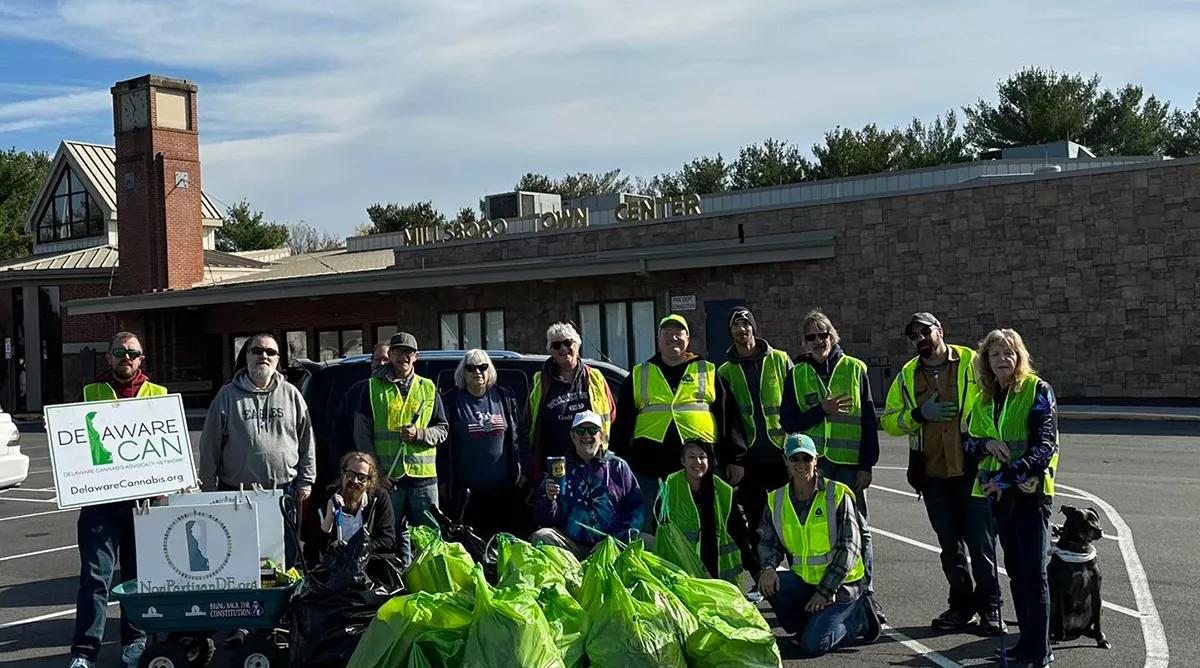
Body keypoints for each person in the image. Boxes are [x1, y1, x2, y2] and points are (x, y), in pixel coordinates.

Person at [880, 312, 1004, 634]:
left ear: (940, 331)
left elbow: (996, 396)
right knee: (949, 547)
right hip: (932, 472)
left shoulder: (970, 362)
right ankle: (961, 606)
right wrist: (919, 413)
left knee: (981, 543)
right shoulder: (907, 375)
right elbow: (890, 421)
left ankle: (991, 608)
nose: (920, 338)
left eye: (924, 331)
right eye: (913, 335)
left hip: (972, 467)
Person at [68, 332, 166, 668]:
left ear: (141, 359)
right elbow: (74, 446)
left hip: (143, 504)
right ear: (109, 358)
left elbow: (169, 449)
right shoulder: (89, 393)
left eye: (133, 352)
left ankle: (135, 643)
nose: (126, 357)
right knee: (95, 579)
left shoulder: (159, 395)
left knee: (137, 579)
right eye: (119, 351)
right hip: (100, 504)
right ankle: (84, 652)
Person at [965, 329, 1060, 668]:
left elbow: (1044, 446)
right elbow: (969, 441)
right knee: (1017, 574)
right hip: (1000, 498)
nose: (1003, 360)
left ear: (1020, 357)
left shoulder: (1037, 391)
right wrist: (986, 445)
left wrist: (1007, 478)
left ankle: (1040, 650)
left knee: (1035, 576)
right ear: (986, 362)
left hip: (1030, 496)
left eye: (1009, 353)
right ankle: (1025, 645)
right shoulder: (984, 399)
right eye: (995, 355)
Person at [780, 308, 882, 619]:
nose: (817, 341)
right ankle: (824, 590)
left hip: (849, 464)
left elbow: (868, 420)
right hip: (815, 465)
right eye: (810, 337)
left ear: (832, 336)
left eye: (822, 335)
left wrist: (867, 465)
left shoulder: (855, 368)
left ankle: (866, 592)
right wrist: (820, 410)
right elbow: (787, 420)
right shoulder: (796, 374)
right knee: (822, 530)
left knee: (859, 529)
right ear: (804, 341)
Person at [610, 313, 746, 532]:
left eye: (678, 333)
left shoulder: (707, 370)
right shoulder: (640, 373)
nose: (673, 338)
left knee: (703, 523)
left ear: (688, 338)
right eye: (667, 333)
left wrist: (735, 459)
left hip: (699, 464)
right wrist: (620, 459)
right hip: (650, 465)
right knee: (651, 525)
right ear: (658, 338)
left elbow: (728, 416)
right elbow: (624, 420)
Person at [757, 434, 880, 657]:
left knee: (813, 645)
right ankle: (808, 623)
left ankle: (860, 619)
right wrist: (767, 568)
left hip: (842, 587)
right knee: (770, 584)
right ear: (786, 460)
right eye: (795, 459)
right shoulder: (776, 499)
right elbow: (768, 542)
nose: (801, 464)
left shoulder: (836, 494)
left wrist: (825, 592)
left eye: (807, 458)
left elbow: (849, 548)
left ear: (816, 460)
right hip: (806, 582)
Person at [353, 331, 449, 541]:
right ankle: (388, 575)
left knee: (430, 540)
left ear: (416, 356)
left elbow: (443, 429)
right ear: (390, 354)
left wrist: (419, 434)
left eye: (409, 352)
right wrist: (376, 474)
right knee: (385, 540)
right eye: (397, 351)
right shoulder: (372, 387)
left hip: (424, 482)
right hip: (389, 480)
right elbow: (362, 436)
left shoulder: (428, 387)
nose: (403, 357)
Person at [198, 333, 316, 501]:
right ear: (247, 356)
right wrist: (208, 487)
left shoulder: (291, 394)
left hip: (284, 490)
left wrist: (306, 481)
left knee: (283, 529)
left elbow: (306, 441)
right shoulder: (227, 395)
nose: (264, 356)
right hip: (237, 494)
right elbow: (210, 444)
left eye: (270, 352)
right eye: (257, 350)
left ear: (277, 359)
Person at [716, 306, 792, 561]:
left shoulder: (780, 359)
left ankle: (795, 574)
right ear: (730, 331)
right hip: (750, 460)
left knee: (788, 516)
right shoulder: (725, 371)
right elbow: (726, 421)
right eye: (736, 325)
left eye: (745, 324)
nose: (741, 330)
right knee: (757, 520)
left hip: (782, 454)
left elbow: (795, 404)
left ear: (754, 328)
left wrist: (794, 448)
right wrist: (734, 460)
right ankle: (765, 575)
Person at [532, 411, 643, 559]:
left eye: (592, 430)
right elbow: (543, 520)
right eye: (580, 430)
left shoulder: (618, 466)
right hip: (572, 547)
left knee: (650, 541)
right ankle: (573, 572)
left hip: (612, 545)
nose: (586, 435)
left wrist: (615, 541)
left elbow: (636, 512)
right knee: (541, 536)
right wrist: (549, 499)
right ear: (572, 435)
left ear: (601, 436)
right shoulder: (559, 468)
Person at [441, 349, 524, 540]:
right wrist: (444, 480)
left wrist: (523, 471)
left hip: (503, 491)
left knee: (502, 544)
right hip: (466, 496)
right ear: (463, 372)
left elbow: (520, 437)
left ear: (490, 371)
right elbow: (443, 447)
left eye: (482, 367)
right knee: (470, 546)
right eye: (471, 368)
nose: (477, 372)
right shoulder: (450, 401)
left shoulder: (505, 397)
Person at [657, 440, 759, 583]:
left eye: (702, 457)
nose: (697, 461)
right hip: (682, 571)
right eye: (691, 457)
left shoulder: (722, 490)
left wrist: (756, 571)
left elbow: (738, 532)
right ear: (683, 461)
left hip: (718, 571)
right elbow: (659, 531)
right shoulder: (670, 487)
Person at [526, 322, 615, 481]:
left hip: (592, 464)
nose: (563, 348)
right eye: (556, 344)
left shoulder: (595, 377)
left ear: (577, 345)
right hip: (554, 465)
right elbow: (528, 423)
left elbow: (612, 415)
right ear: (550, 350)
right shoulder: (540, 381)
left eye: (568, 342)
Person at [302, 451, 397, 566]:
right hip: (333, 565)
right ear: (342, 474)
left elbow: (387, 539)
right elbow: (313, 547)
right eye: (350, 475)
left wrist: (357, 551)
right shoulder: (326, 498)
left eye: (361, 478)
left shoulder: (379, 498)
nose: (355, 481)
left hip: (366, 564)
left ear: (369, 482)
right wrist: (328, 519)